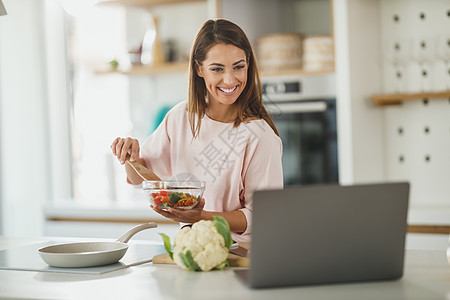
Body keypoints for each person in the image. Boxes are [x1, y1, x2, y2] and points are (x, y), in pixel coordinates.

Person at [111, 19, 283, 243]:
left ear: (248, 64)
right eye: (217, 69)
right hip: (191, 250)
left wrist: (202, 217)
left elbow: (262, 216)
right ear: (199, 69)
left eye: (238, 66)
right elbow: (142, 178)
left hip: (241, 259)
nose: (230, 79)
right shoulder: (181, 117)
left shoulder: (260, 137)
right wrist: (129, 156)